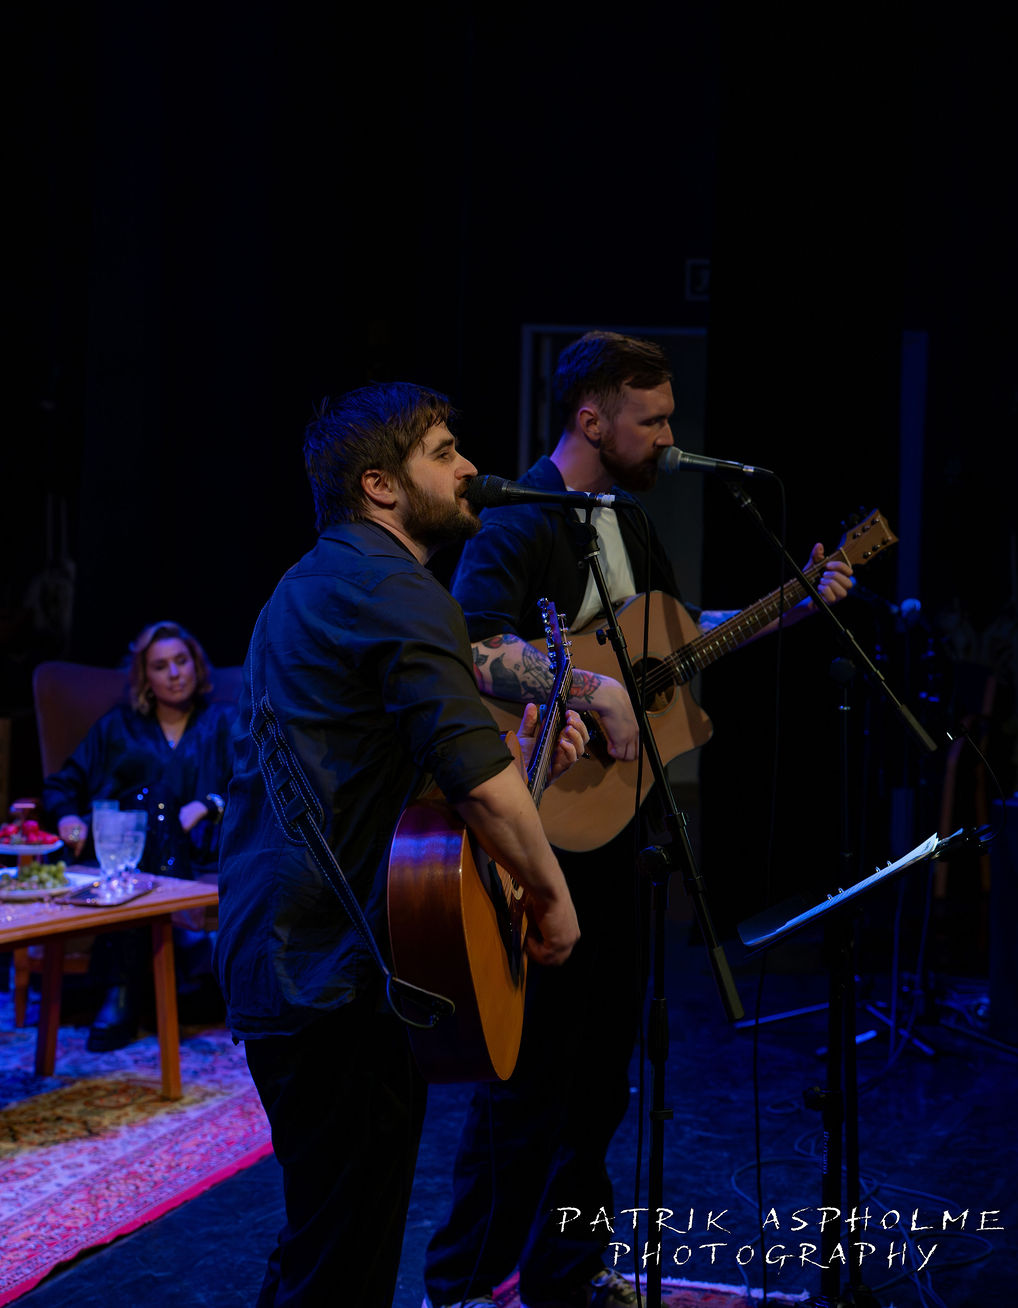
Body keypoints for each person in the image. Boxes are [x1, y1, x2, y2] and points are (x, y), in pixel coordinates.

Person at [422, 331, 854, 1308]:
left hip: (623, 834)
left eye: (668, 418)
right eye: (650, 420)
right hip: (545, 828)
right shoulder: (521, 520)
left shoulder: (623, 522)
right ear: (590, 418)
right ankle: (461, 1284)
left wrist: (787, 608)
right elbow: (471, 646)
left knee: (602, 1080)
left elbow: (670, 641)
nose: (666, 437)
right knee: (530, 1082)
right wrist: (592, 691)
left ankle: (567, 1270)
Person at [213, 381, 588, 1308]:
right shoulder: (396, 588)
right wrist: (552, 896)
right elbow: (472, 783)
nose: (470, 468)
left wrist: (518, 759)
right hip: (335, 977)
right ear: (380, 486)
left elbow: (377, 774)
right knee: (342, 1261)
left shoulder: (304, 585)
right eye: (444, 452)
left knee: (324, 1238)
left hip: (283, 962)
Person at [42, 619, 236, 1050]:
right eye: (161, 666)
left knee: (159, 801)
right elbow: (62, 785)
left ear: (196, 664)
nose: (174, 674)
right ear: (145, 677)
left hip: (201, 854)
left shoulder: (224, 721)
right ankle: (187, 948)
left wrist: (207, 805)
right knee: (151, 799)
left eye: (181, 661)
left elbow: (254, 783)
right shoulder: (117, 727)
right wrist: (69, 819)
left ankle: (121, 989)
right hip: (122, 856)